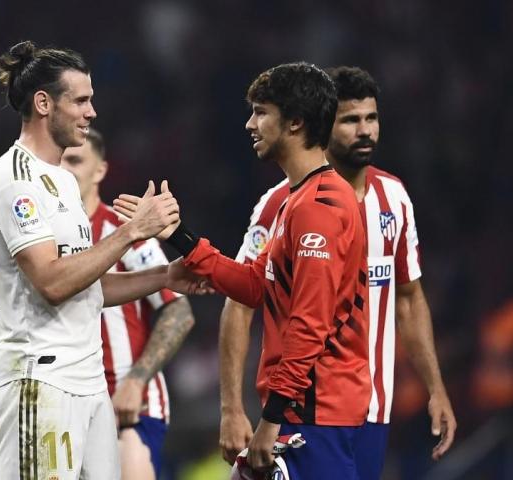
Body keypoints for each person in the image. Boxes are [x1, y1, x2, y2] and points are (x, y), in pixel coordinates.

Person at [116, 62, 371, 479]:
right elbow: (255, 287)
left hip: (314, 412)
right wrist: (178, 236)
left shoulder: (321, 208)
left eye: (261, 111)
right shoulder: (295, 201)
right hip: (301, 410)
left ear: (295, 122)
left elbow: (310, 325)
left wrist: (269, 421)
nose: (250, 123)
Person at [0, 41, 208, 480]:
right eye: (81, 100)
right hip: (40, 380)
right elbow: (52, 282)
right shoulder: (14, 181)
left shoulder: (63, 182)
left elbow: (85, 286)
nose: (92, 112)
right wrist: (132, 231)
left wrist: (166, 275)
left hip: (88, 382)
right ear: (43, 103)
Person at [216, 66, 457, 479]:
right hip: (309, 407)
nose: (364, 131)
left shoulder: (394, 197)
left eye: (372, 118)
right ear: (324, 126)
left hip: (374, 405)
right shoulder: (277, 205)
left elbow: (408, 297)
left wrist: (435, 387)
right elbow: (241, 303)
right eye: (350, 120)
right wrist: (232, 408)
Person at [61, 129, 196, 480]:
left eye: (75, 160)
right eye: (59, 160)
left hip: (127, 404)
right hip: (64, 400)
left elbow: (178, 310)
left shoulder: (125, 230)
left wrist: (136, 381)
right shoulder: (43, 237)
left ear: (100, 171)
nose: (65, 169)